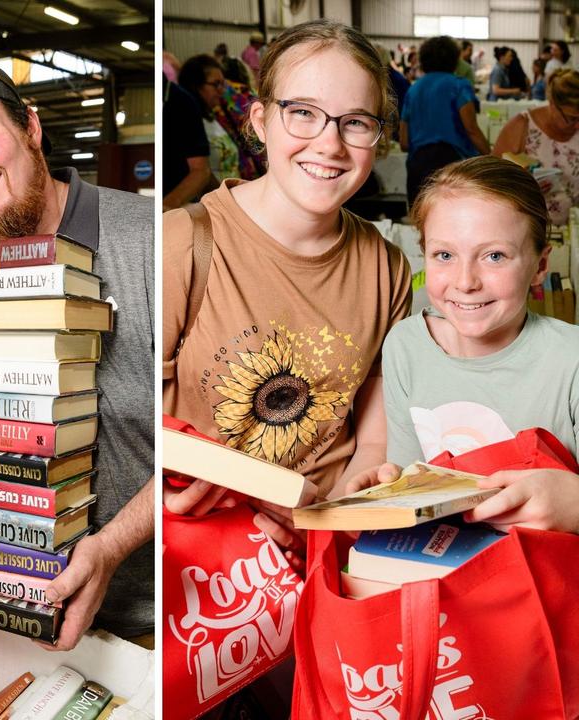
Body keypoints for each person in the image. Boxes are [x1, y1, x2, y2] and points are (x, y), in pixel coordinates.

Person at [0, 56, 155, 652]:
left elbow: (207, 443)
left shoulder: (149, 243)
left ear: (31, 129)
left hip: (150, 620)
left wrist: (111, 546)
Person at [164, 17, 411, 569]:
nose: (329, 143)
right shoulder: (183, 244)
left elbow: (372, 437)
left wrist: (331, 522)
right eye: (303, 113)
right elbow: (133, 425)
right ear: (260, 121)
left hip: (325, 552)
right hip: (210, 559)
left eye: (355, 122)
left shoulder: (387, 268)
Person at [350, 156, 579, 534]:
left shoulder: (569, 359)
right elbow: (408, 477)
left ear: (540, 265)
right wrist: (385, 490)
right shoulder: (406, 346)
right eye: (445, 255)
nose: (466, 281)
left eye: (494, 256)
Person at [400, 35, 490, 204]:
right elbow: (471, 129)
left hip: (417, 166)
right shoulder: (459, 85)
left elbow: (404, 142)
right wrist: (492, 157)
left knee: (420, 222)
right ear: (454, 59)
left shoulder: (414, 89)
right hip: (451, 165)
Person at [493, 68, 579, 224]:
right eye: (572, 118)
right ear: (553, 104)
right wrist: (526, 188)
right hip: (527, 229)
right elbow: (493, 181)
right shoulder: (522, 126)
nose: (577, 126)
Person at [179, 55, 240, 181]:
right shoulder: (187, 124)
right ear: (196, 86)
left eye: (222, 84)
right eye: (216, 84)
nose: (221, 90)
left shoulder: (215, 118)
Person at [162, 73, 213, 210]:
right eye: (215, 84)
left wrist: (167, 205)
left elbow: (200, 170)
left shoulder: (182, 101)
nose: (222, 90)